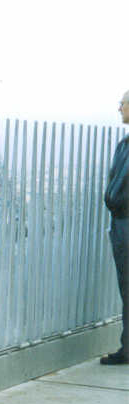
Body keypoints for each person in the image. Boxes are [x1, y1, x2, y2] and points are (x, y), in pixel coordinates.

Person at [102, 90, 129, 365]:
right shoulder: (124, 144)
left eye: (122, 104)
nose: (119, 108)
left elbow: (119, 186)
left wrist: (112, 199)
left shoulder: (125, 145)